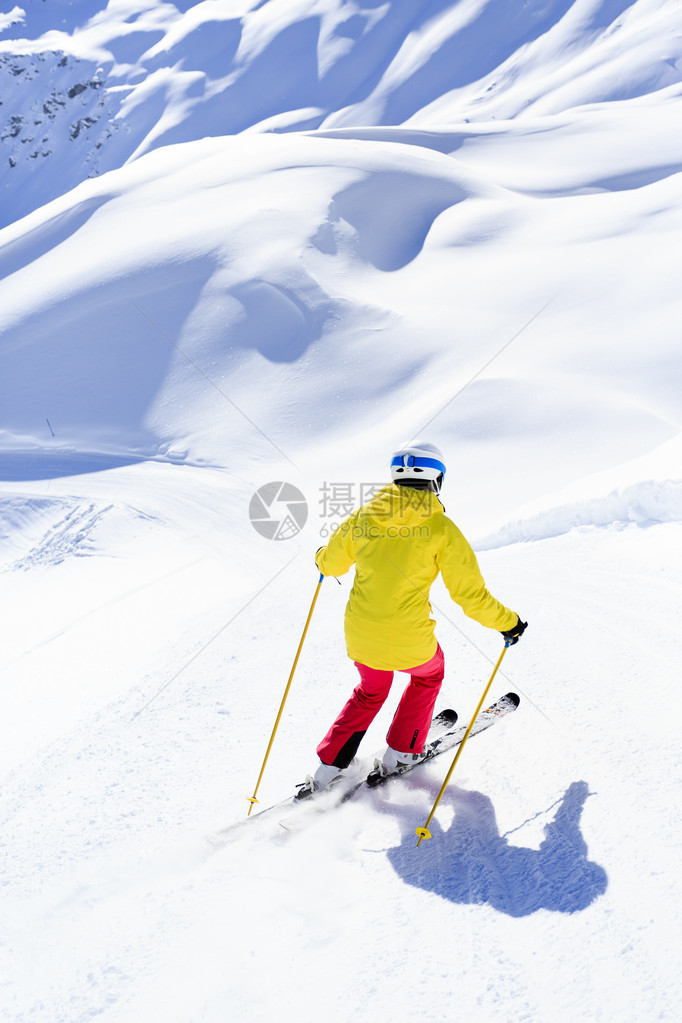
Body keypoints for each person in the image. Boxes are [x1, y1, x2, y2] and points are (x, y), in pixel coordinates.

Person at [299, 441, 527, 795]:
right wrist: (508, 623)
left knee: (371, 691)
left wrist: (320, 556)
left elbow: (331, 564)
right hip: (411, 640)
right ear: (437, 479)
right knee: (428, 675)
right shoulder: (441, 529)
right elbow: (470, 596)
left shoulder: (363, 517)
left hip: (361, 635)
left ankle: (328, 770)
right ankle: (401, 754)